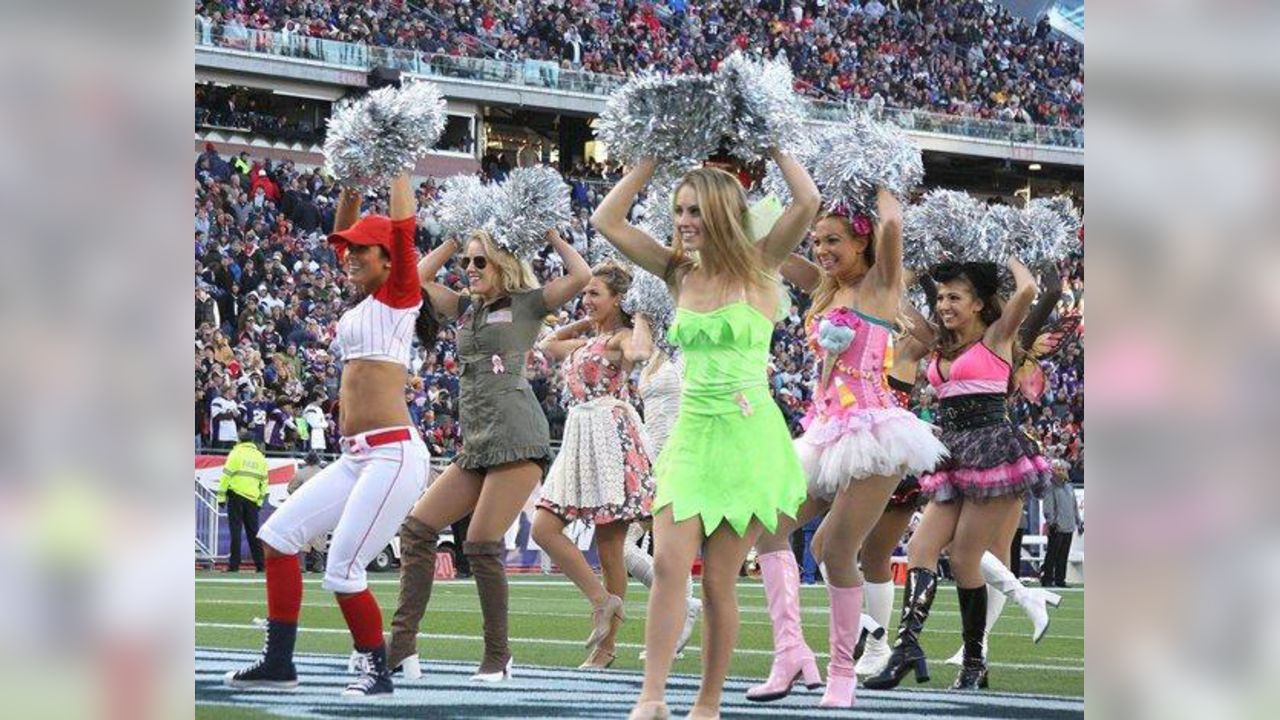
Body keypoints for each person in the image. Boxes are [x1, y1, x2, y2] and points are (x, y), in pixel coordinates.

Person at [592, 150, 819, 720]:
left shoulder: (763, 264)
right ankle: (652, 698)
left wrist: (773, 145)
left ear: (720, 212)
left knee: (720, 580)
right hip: (693, 431)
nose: (683, 221)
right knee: (670, 564)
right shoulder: (677, 271)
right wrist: (650, 156)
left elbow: (807, 202)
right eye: (677, 210)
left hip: (747, 436)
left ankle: (708, 704)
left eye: (693, 210)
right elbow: (607, 221)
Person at [224, 175, 433, 697]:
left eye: (364, 248)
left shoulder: (400, 294)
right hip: (356, 457)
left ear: (388, 258)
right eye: (350, 249)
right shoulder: (362, 305)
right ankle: (278, 662)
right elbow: (343, 233)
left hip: (393, 455)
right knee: (277, 539)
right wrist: (352, 183)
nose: (350, 254)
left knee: (343, 569)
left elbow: (405, 230)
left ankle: (375, 670)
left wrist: (396, 165)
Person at [748, 193, 947, 707]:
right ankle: (790, 654)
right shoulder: (822, 288)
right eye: (817, 241)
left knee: (836, 548)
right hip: (824, 431)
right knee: (770, 529)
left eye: (834, 240)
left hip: (876, 433)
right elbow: (766, 250)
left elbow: (894, 222)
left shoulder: (881, 287)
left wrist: (872, 179)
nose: (822, 250)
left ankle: (843, 672)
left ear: (863, 241)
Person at [384, 218, 590, 683]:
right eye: (466, 262)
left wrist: (552, 235)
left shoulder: (526, 304)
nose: (470, 268)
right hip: (475, 440)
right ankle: (401, 645)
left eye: (480, 261)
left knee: (479, 543)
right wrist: (455, 239)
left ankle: (499, 655)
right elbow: (413, 279)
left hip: (517, 437)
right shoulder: (463, 309)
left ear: (502, 264)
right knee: (417, 529)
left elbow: (580, 276)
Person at [865, 258, 1051, 693]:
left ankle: (974, 662)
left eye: (955, 297)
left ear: (979, 303)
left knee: (966, 557)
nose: (944, 304)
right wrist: (908, 261)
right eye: (941, 296)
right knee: (921, 548)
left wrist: (1010, 254)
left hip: (993, 453)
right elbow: (894, 298)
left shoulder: (998, 337)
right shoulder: (936, 342)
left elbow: (1026, 291)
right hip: (951, 455)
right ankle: (906, 648)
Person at [532, 261, 656, 669]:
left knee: (610, 547)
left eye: (594, 294)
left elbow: (639, 353)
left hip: (610, 433)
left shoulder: (622, 338)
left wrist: (638, 313)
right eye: (584, 293)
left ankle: (606, 648)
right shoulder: (593, 339)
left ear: (618, 299)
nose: (585, 301)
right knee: (544, 528)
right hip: (580, 433)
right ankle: (602, 600)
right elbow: (549, 343)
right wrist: (587, 323)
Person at [623, 314, 702, 661]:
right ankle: (683, 606)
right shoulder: (654, 350)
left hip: (678, 454)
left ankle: (680, 614)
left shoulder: (687, 349)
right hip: (650, 455)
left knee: (667, 548)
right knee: (628, 545)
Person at [218, 430, 269, 573]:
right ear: (252, 442)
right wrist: (259, 501)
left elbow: (226, 476)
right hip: (252, 499)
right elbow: (264, 482)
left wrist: (221, 497)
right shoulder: (260, 457)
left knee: (236, 531)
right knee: (253, 533)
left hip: (235, 496)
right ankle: (261, 565)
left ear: (240, 441)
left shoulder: (235, 453)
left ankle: (234, 565)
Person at [1040, 462, 1081, 588]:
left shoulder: (1069, 487)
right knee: (1052, 554)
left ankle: (1060, 579)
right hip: (1056, 526)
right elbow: (1048, 506)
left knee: (1063, 555)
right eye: (1058, 469)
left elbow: (1074, 506)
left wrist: (1078, 521)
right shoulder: (1050, 487)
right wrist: (1051, 521)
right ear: (1053, 471)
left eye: (1063, 469)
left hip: (1069, 525)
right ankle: (1047, 579)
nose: (1061, 471)